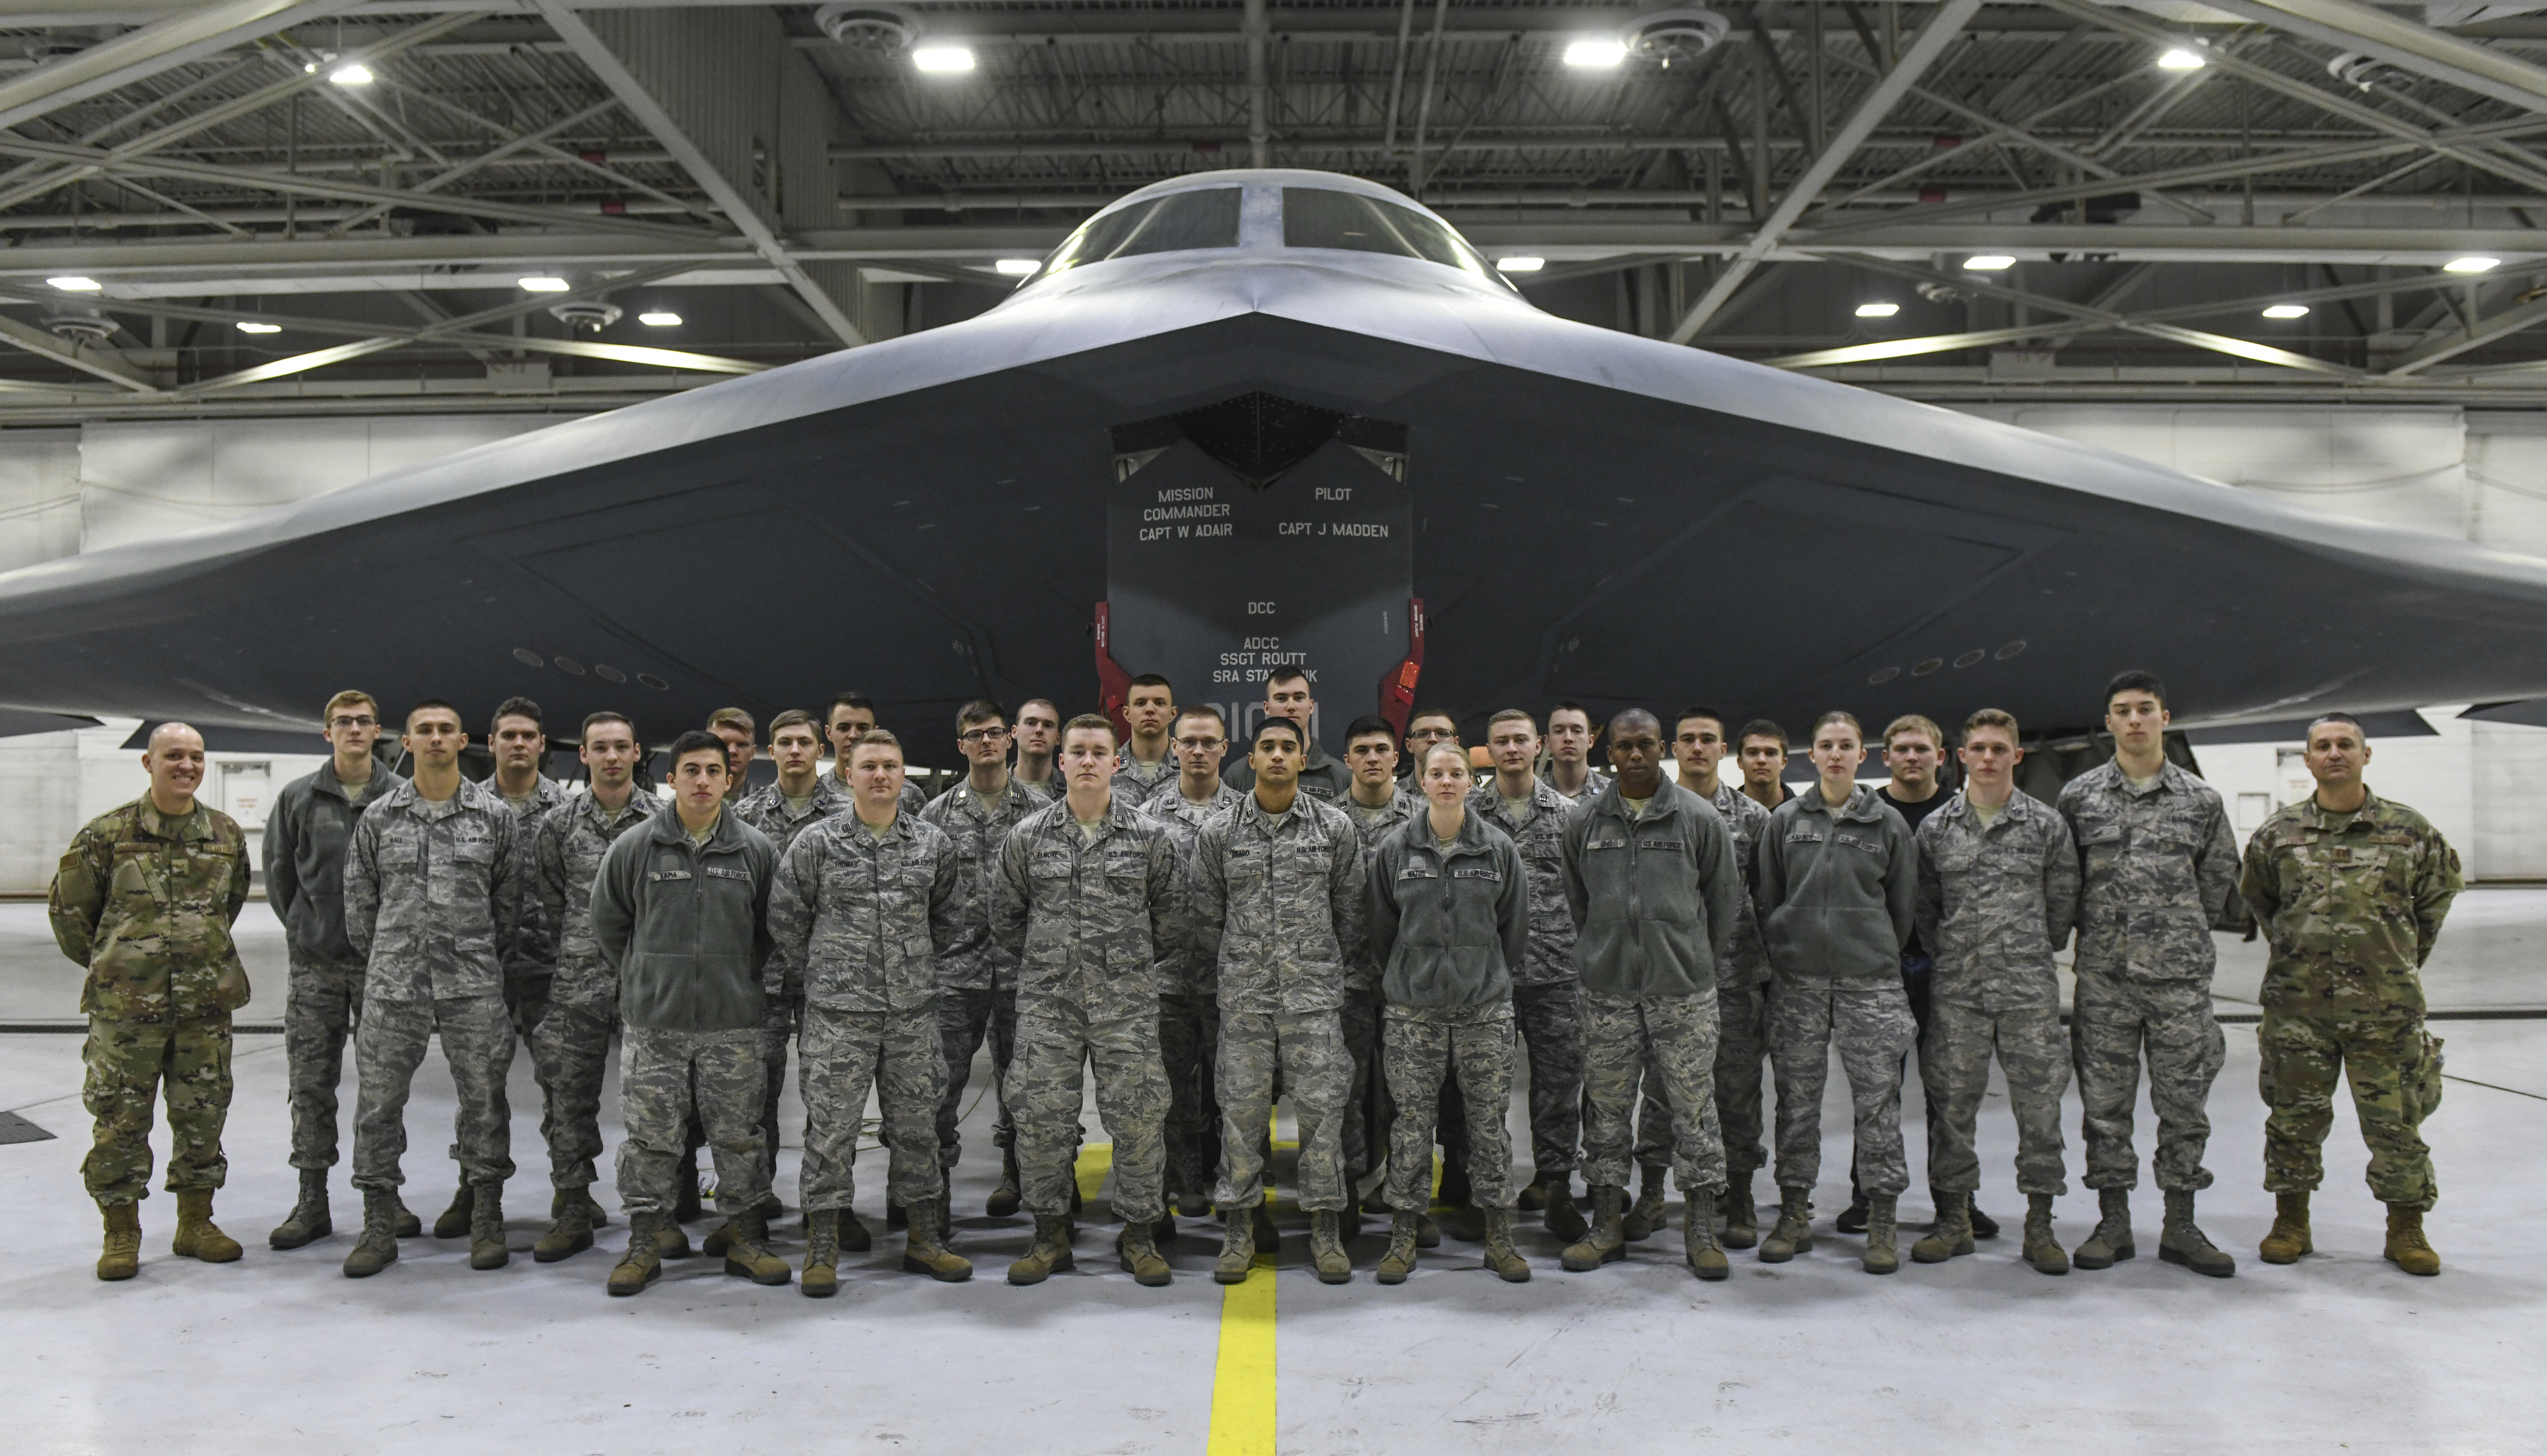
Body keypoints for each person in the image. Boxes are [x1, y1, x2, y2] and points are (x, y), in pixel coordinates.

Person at [2240, 713, 2461, 1277]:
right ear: (2309, 759)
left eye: (2345, 744)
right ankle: (2291, 1220)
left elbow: (2434, 901)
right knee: (2292, 1119)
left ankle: (2406, 1227)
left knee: (2396, 1122)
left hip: (2383, 1011)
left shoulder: (2408, 831)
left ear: (2366, 755)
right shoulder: (2278, 834)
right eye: (2322, 746)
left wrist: (2393, 963)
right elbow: (2263, 902)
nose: (2334, 753)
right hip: (2298, 1010)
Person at [768, 728, 971, 1294]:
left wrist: (912, 967)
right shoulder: (817, 843)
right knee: (830, 1132)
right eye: (870, 766)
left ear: (903, 774)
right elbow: (787, 918)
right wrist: (829, 971)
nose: (881, 774)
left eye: (891, 765)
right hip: (838, 1016)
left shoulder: (933, 845)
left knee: (918, 1129)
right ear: (849, 774)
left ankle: (925, 1237)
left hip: (912, 1013)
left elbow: (948, 918)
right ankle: (823, 1243)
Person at [50, 722, 253, 1282]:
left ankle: (196, 1223)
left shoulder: (225, 834)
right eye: (173, 755)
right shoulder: (107, 835)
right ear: (148, 762)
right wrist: (121, 970)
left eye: (195, 756)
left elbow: (229, 904)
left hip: (204, 1008)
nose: (185, 765)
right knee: (119, 1120)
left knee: (203, 1115)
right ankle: (121, 1231)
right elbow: (72, 918)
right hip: (126, 1014)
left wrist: (193, 961)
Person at [2056, 670, 2242, 1279]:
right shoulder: (2079, 797)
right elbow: (2067, 883)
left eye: (2145, 709)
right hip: (2106, 980)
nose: (2134, 720)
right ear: (2108, 722)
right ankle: (2113, 1220)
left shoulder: (2201, 800)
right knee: (2105, 1106)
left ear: (2166, 717)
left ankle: (2181, 1222)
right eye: (2122, 710)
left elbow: (2217, 882)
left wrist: (2174, 936)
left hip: (2179, 983)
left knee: (2183, 1104)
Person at [591, 732, 786, 1295]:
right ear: (670, 779)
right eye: (691, 769)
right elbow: (608, 923)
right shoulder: (635, 847)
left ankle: (747, 1237)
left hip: (734, 1023)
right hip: (657, 1024)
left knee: (739, 1135)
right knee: (650, 1138)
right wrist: (647, 975)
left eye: (713, 770)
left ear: (732, 780)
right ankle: (645, 1240)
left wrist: (734, 975)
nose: (702, 780)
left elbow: (769, 929)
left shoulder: (754, 849)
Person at [993, 715, 1182, 1286]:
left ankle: (1140, 1234)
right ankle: (1050, 1234)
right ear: (1063, 757)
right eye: (1077, 751)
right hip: (1049, 1005)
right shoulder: (1028, 836)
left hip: (1126, 1004)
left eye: (1099, 751)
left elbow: (1171, 921)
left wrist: (1126, 970)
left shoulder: (1150, 837)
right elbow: (1006, 918)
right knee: (1042, 1120)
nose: (1088, 761)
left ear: (1115, 761)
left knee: (1140, 1119)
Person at [339, 701, 525, 1278]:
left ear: (463, 740)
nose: (438, 738)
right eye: (426, 730)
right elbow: (359, 908)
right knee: (377, 1103)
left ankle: (486, 1213)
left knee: (485, 1100)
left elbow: (508, 908)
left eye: (447, 730)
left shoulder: (495, 817)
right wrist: (396, 957)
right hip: (395, 986)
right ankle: (378, 1219)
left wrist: (471, 956)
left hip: (472, 984)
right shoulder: (378, 818)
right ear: (407, 741)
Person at [1555, 708, 1742, 1281]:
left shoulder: (1697, 817)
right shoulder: (1586, 820)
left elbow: (1724, 901)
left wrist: (1690, 960)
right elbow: (1578, 902)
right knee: (1607, 1111)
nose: (1635, 755)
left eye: (1645, 744)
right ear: (1606, 751)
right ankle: (1607, 1221)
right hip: (1608, 992)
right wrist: (1603, 954)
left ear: (1662, 747)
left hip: (1682, 993)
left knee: (1694, 1112)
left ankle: (1702, 1227)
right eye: (1624, 746)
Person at [1193, 715, 1367, 1284]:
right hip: (1244, 1000)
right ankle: (1241, 1228)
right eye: (1266, 746)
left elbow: (1350, 913)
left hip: (1313, 1000)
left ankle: (1323, 1227)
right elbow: (1207, 917)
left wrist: (1315, 966)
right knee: (1240, 1118)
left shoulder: (1335, 828)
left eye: (1287, 747)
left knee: (1322, 1117)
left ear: (1302, 756)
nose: (1276, 755)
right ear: (1251, 756)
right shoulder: (1220, 832)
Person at [1911, 710, 2079, 1276]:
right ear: (1960, 755)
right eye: (1978, 747)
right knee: (1952, 1111)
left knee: (2040, 1111)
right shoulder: (1937, 829)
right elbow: (1927, 907)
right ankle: (1954, 1220)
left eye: (1998, 749)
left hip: (2028, 993)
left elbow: (2061, 910)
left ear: (2016, 756)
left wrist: (2022, 949)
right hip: (1958, 992)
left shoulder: (2046, 827)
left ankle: (2040, 1225)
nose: (1988, 757)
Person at [1753, 711, 1917, 1275]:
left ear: (1861, 755)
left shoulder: (1888, 824)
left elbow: (1902, 908)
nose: (1836, 754)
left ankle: (1882, 1219)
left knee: (1878, 1105)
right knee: (1796, 1103)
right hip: (1798, 984)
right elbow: (1770, 895)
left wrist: (1867, 953)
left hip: (1869, 984)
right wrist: (1792, 950)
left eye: (1846, 745)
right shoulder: (1785, 821)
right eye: (1825, 745)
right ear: (1812, 755)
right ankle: (1794, 1211)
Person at [1364, 740, 1533, 1284]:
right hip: (1413, 1011)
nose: (1445, 781)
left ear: (1469, 781)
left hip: (1484, 1009)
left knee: (1488, 1125)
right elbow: (1382, 929)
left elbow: (1514, 929)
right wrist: (1410, 977)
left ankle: (1498, 1235)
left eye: (1456, 772)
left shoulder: (1496, 849)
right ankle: (1404, 1233)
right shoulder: (1395, 849)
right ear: (1421, 779)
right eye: (1435, 772)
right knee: (1410, 1124)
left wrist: (1484, 977)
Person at [263, 690, 414, 1251]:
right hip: (316, 969)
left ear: (379, 731)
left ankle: (386, 1195)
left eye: (364, 721)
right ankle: (312, 1199)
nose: (354, 729)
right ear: (328, 733)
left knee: (384, 1089)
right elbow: (281, 879)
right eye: (343, 722)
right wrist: (310, 929)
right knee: (310, 1085)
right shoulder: (299, 797)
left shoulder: (401, 797)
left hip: (383, 969)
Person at [1839, 714, 1996, 1239]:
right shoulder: (1865, 814)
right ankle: (1868, 1194)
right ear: (1885, 757)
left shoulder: (1958, 815)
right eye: (1901, 749)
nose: (1912, 758)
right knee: (1875, 1088)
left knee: (1948, 1091)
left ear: (1940, 756)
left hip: (1944, 969)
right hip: (1877, 969)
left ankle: (1956, 1198)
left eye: (1921, 750)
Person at [523, 712, 652, 1264]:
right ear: (584, 754)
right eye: (601, 747)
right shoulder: (558, 823)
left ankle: (653, 1214)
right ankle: (573, 1208)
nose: (613, 757)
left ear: (638, 752)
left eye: (622, 746)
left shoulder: (661, 821)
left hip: (646, 985)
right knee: (569, 1102)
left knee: (652, 1104)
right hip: (576, 985)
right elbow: (547, 903)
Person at [1467, 709, 1589, 1243]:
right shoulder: (1468, 814)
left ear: (1538, 745)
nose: (1512, 748)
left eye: (1521, 739)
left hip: (1557, 974)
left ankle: (1556, 1186)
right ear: (1487, 749)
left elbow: (1590, 894)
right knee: (1484, 1090)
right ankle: (1488, 1193)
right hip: (1487, 977)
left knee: (1559, 1089)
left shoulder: (1570, 816)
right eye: (1502, 741)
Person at [920, 699, 1045, 1222]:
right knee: (939, 1085)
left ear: (1010, 737)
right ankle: (935, 1193)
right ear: (962, 745)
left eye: (995, 733)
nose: (987, 742)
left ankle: (1024, 1178)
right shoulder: (935, 815)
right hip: (956, 971)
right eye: (975, 735)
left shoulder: (1040, 812)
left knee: (1029, 1083)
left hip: (1023, 970)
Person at [1652, 707, 1770, 1248]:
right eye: (1688, 739)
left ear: (1723, 749)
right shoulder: (1651, 813)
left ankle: (1739, 1193)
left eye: (1708, 740)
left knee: (1738, 1090)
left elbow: (1771, 900)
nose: (1697, 747)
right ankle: (1652, 1193)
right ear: (1673, 748)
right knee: (1659, 1094)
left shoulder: (1753, 818)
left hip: (1734, 978)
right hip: (1666, 979)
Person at [731, 708, 846, 1236]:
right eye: (784, 742)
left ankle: (829, 1209)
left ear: (819, 748)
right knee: (754, 1096)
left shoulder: (847, 813)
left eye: (804, 741)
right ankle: (753, 1205)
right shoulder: (746, 815)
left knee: (831, 1096)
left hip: (831, 977)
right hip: (764, 977)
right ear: (769, 751)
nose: (795, 750)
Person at [457, 695, 566, 1243]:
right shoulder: (466, 807)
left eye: (528, 735)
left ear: (542, 744)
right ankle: (473, 1191)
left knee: (563, 1086)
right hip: (485, 973)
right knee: (479, 1088)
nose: (519, 743)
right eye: (508, 735)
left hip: (550, 971)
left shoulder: (567, 810)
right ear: (492, 744)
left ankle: (570, 1194)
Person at [1142, 706, 1246, 1223]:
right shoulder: (1148, 814)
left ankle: (1234, 1186)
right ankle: (1184, 1182)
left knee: (1234, 1092)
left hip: (1231, 979)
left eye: (1210, 742)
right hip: (1168, 979)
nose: (1200, 750)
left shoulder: (1246, 813)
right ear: (1175, 747)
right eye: (1190, 742)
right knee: (1171, 1090)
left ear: (1225, 748)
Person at [1338, 714, 1423, 1236]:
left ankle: (1403, 1194)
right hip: (1344, 980)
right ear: (1346, 759)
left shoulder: (1422, 819)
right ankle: (1344, 1189)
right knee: (1341, 1091)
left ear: (1397, 758)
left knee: (1408, 1092)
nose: (1372, 757)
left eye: (1380, 749)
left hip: (1407, 981)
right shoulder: (1325, 822)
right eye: (1361, 750)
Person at [1219, 667, 1353, 801]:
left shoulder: (1340, 776)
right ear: (1266, 708)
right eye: (1281, 699)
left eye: (1299, 698)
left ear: (1311, 706)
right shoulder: (1237, 776)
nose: (1291, 707)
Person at [827, 692, 931, 816]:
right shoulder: (816, 792)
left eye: (863, 728)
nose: (853, 736)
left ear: (875, 732)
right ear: (829, 733)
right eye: (844, 728)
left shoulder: (909, 795)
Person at [1114, 674, 1179, 801]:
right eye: (1141, 703)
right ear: (1127, 714)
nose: (1150, 709)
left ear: (1173, 714)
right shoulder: (1107, 769)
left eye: (1159, 703)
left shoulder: (1190, 767)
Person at [1545, 702, 1608, 805]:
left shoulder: (1611, 794)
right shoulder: (1533, 794)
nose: (1568, 738)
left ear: (1591, 741)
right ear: (1547, 741)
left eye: (1577, 731)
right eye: (1559, 731)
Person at [1012, 698, 1064, 801]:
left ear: (1058, 738)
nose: (1039, 730)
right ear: (1015, 732)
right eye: (1031, 723)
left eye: (1048, 725)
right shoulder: (994, 789)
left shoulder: (1073, 790)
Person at [1736, 720, 1794, 811]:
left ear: (1784, 763)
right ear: (1740, 762)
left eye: (1771, 753)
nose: (1762, 760)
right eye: (1753, 753)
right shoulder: (1721, 817)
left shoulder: (1802, 815)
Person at [708, 706, 758, 801]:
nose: (732, 751)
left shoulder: (769, 807)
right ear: (707, 748)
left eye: (741, 745)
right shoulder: (683, 806)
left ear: (752, 753)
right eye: (723, 744)